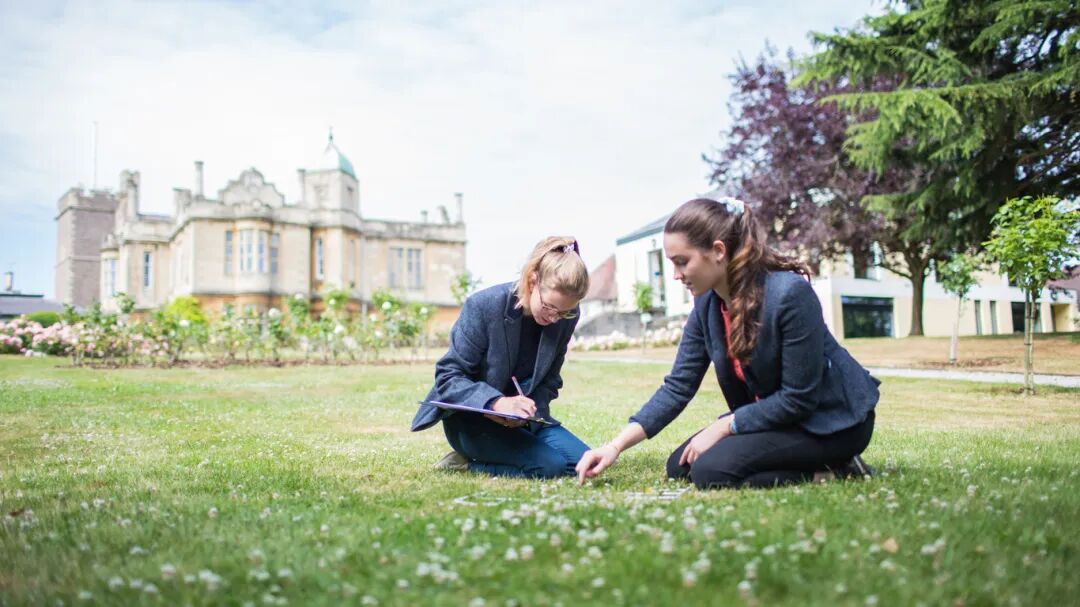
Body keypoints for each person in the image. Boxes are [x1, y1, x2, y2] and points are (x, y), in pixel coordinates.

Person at [576, 195, 879, 489]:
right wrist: (615, 446)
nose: (676, 275)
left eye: (682, 262)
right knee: (680, 466)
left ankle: (835, 470)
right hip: (779, 420)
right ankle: (812, 466)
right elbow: (678, 386)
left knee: (712, 471)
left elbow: (798, 399)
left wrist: (724, 426)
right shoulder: (707, 304)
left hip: (830, 422)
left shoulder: (789, 295)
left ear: (718, 251)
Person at [411, 236, 591, 478]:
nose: (555, 318)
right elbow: (448, 378)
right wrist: (497, 404)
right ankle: (465, 463)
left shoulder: (566, 314)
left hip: (525, 422)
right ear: (532, 281)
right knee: (550, 467)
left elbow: (550, 380)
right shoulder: (484, 306)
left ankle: (522, 449)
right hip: (472, 422)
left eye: (565, 312)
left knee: (586, 463)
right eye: (549, 307)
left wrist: (530, 409)